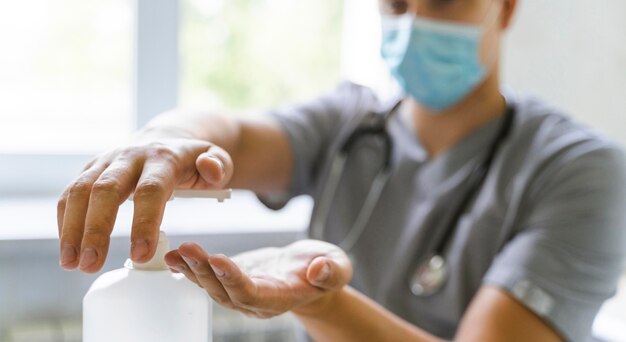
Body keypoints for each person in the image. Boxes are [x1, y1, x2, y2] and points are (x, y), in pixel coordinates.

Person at [57, 0, 626, 340]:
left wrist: (320, 301)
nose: (416, 22)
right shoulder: (348, 123)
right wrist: (166, 139)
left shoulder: (581, 171)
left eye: (446, 0)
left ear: (505, 8)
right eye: (397, 5)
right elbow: (228, 136)